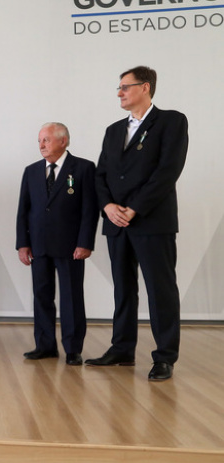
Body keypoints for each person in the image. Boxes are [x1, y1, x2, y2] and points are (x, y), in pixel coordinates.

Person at [85, 66, 188, 381]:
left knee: (160, 290)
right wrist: (108, 206)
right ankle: (122, 349)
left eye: (125, 87)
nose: (119, 93)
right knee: (123, 289)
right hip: (117, 223)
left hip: (151, 222)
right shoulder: (114, 130)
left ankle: (165, 357)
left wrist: (134, 209)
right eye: (118, 88)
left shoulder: (171, 121)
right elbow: (101, 174)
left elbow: (167, 171)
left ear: (145, 87)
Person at [15, 123, 98, 366]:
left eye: (47, 140)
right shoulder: (31, 171)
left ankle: (73, 349)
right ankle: (45, 345)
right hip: (39, 245)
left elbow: (89, 211)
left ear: (63, 141)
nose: (41, 145)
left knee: (71, 297)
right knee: (41, 295)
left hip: (71, 247)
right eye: (39, 140)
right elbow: (23, 211)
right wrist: (23, 244)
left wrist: (85, 243)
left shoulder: (83, 168)